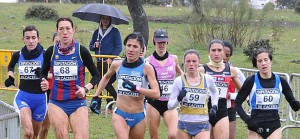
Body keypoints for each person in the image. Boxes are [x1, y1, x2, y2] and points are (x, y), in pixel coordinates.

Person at [40, 17, 100, 139]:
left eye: (68, 28)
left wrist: (85, 89)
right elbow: (42, 73)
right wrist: (44, 80)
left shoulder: (81, 51)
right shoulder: (51, 52)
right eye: (61, 29)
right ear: (57, 31)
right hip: (57, 102)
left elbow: (97, 75)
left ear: (73, 30)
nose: (65, 32)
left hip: (77, 102)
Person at [93, 32, 160, 139]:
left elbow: (156, 93)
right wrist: (95, 96)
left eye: (135, 46)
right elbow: (106, 77)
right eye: (128, 45)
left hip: (138, 116)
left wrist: (136, 88)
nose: (131, 49)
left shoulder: (147, 68)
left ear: (141, 49)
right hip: (120, 114)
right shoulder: (117, 64)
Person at [235, 48, 300, 139]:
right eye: (260, 61)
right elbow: (237, 104)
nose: (263, 63)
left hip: (274, 127)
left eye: (266, 60)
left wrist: (295, 104)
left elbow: (292, 101)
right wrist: (247, 120)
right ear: (256, 64)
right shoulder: (251, 81)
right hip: (255, 128)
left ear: (271, 61)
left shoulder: (281, 81)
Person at [5, 25, 48, 139]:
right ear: (23, 39)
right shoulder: (18, 54)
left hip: (41, 99)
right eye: (27, 38)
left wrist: (43, 75)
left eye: (33, 37)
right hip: (23, 97)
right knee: (28, 133)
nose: (31, 41)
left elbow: (53, 73)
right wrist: (10, 77)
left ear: (38, 39)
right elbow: (10, 66)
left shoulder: (45, 54)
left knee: (34, 135)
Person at [168, 49, 218, 139]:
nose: (191, 64)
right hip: (184, 124)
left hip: (202, 124)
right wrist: (178, 99)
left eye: (194, 61)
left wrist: (214, 105)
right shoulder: (179, 81)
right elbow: (170, 106)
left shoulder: (207, 79)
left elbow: (215, 92)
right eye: (188, 61)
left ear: (199, 62)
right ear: (184, 63)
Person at [198, 39, 242, 139]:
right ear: (209, 52)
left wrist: (249, 100)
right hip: (204, 111)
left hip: (222, 111)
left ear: (223, 52)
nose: (216, 53)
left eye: (219, 50)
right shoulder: (202, 70)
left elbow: (243, 91)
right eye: (213, 50)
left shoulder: (231, 70)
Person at [145, 29, 183, 139]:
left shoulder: (174, 58)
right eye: (159, 42)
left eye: (163, 42)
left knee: (173, 134)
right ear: (154, 42)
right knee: (154, 136)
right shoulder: (148, 61)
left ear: (167, 42)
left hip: (170, 103)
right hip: (153, 103)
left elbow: (181, 74)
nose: (161, 45)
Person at [89, 15, 122, 113]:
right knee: (100, 82)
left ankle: (111, 103)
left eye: (107, 19)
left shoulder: (115, 32)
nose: (105, 20)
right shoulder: (96, 32)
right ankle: (97, 105)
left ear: (110, 20)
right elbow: (91, 46)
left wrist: (111, 59)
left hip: (109, 62)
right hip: (99, 61)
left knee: (107, 82)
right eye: (103, 18)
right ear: (100, 19)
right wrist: (95, 45)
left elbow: (118, 47)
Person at [222, 40, 246, 139]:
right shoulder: (207, 70)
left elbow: (245, 93)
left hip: (230, 109)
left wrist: (230, 96)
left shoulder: (235, 71)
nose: (224, 57)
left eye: (227, 55)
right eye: (222, 53)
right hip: (212, 108)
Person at [38, 33, 60, 139]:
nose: (59, 44)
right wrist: (51, 75)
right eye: (57, 42)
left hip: (62, 92)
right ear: (53, 42)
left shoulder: (71, 55)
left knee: (60, 126)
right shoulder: (48, 54)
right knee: (45, 126)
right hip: (47, 92)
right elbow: (40, 72)